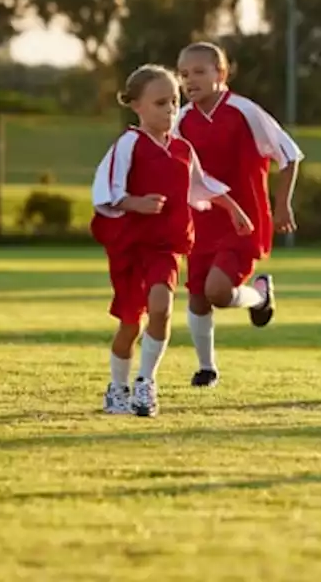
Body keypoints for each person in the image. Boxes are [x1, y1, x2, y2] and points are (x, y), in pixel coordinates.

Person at [91, 64, 254, 417]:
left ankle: (145, 383)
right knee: (131, 322)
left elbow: (202, 184)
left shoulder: (182, 149)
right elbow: (107, 190)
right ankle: (116, 387)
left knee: (162, 309)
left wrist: (232, 208)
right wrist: (136, 203)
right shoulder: (128, 144)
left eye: (174, 102)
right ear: (136, 105)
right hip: (131, 248)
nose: (169, 110)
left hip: (166, 248)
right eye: (160, 103)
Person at [174, 41, 304, 388]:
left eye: (199, 72)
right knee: (198, 295)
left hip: (244, 221)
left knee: (217, 291)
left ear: (221, 74)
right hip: (199, 221)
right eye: (184, 74)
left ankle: (259, 296)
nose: (190, 81)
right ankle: (207, 368)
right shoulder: (182, 120)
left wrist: (282, 204)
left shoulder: (245, 112)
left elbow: (289, 157)